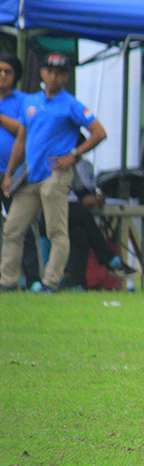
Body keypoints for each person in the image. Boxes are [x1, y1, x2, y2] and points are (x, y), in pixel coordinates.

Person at [1, 52, 107, 293]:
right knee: (13, 228)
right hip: (30, 174)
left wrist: (74, 155)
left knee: (56, 230)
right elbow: (21, 139)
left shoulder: (71, 104)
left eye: (59, 72)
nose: (54, 77)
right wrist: (9, 174)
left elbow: (99, 132)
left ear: (66, 76)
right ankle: (7, 281)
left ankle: (50, 281)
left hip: (56, 173)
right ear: (42, 73)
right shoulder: (30, 102)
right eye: (50, 71)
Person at [0, 51, 43, 291]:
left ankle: (32, 277)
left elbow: (23, 130)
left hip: (14, 176)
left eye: (8, 71)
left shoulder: (24, 101)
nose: (3, 75)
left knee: (19, 226)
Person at [65, 159, 137, 289]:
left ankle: (77, 285)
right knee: (82, 214)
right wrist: (94, 199)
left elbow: (83, 192)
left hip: (68, 215)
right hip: (47, 212)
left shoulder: (75, 166)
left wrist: (93, 197)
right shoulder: (56, 161)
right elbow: (85, 200)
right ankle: (111, 260)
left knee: (80, 233)